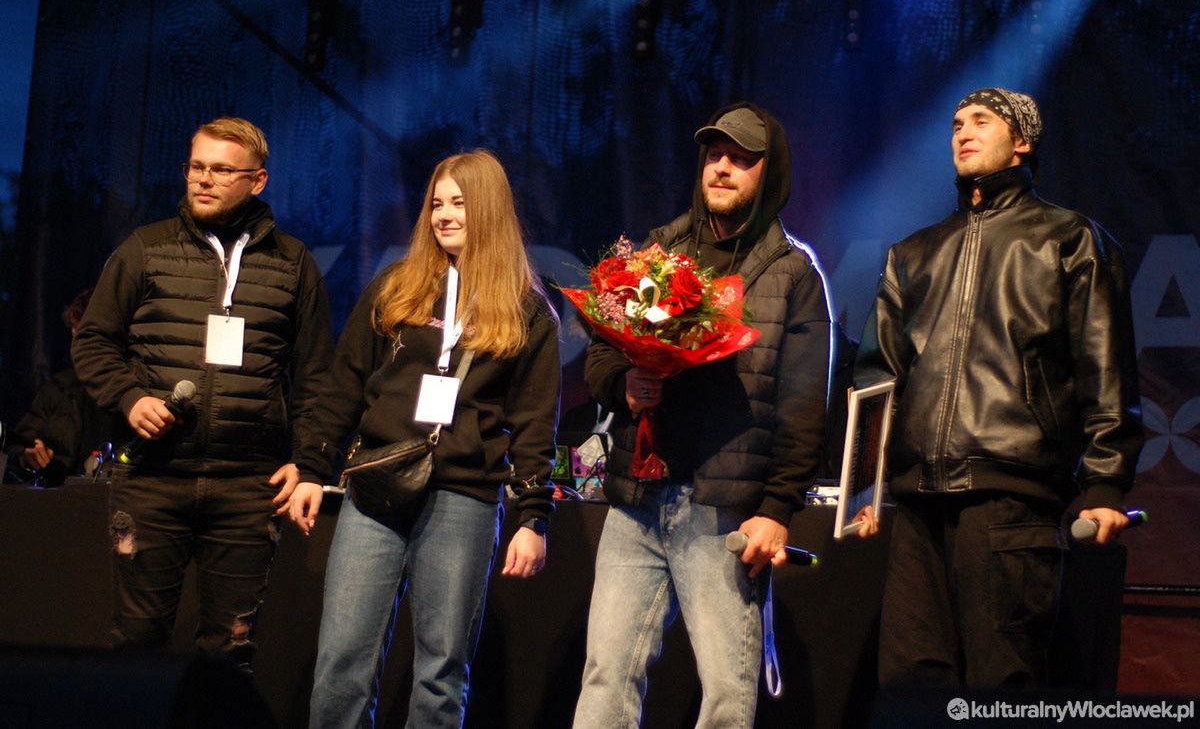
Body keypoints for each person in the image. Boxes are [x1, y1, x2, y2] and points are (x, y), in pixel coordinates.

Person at [853, 88, 1142, 687]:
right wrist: (866, 487)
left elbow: (1105, 367)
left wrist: (1106, 482)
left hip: (1012, 498)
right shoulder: (913, 252)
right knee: (911, 687)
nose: (963, 132)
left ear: (1022, 141)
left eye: (982, 121)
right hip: (917, 504)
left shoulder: (1067, 238)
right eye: (956, 123)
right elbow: (878, 377)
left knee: (1001, 682)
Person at [573, 103, 833, 728]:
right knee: (606, 674)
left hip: (723, 511)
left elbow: (804, 406)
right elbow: (602, 351)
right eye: (716, 154)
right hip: (638, 499)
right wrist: (625, 385)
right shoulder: (658, 253)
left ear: (769, 174)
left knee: (725, 695)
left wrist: (777, 509)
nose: (722, 167)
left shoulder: (793, 273)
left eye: (741, 159)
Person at [289, 149, 561, 728]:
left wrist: (533, 517)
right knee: (341, 662)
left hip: (464, 496)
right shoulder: (397, 286)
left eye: (459, 203)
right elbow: (345, 383)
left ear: (488, 209)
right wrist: (312, 467)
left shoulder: (526, 310)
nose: (444, 215)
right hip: (377, 488)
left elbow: (535, 423)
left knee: (440, 674)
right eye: (437, 203)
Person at [71, 117, 333, 667]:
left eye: (221, 170)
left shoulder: (292, 264)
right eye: (196, 167)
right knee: (136, 643)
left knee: (228, 652)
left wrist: (309, 463)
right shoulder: (146, 249)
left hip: (247, 487)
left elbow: (316, 377)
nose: (204, 179)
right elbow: (93, 341)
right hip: (152, 480)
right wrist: (130, 398)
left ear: (257, 180)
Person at [5, 288, 120, 486]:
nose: (76, 348)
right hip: (59, 499)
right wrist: (26, 456)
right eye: (74, 336)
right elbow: (17, 447)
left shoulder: (132, 392)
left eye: (84, 337)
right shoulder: (57, 389)